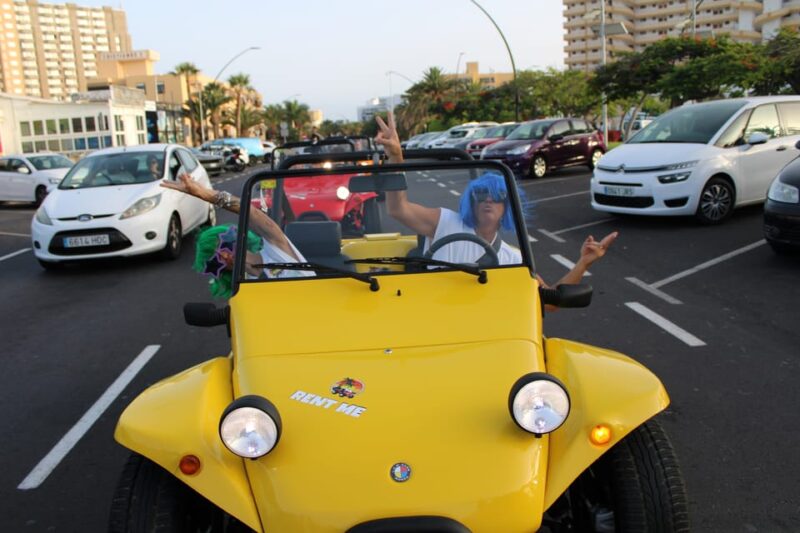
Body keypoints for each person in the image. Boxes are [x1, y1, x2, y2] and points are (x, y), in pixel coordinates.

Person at [373, 111, 618, 288]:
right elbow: (398, 208)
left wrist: (583, 263)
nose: (488, 200)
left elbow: (549, 301)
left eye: (498, 196)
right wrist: (396, 155)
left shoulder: (511, 259)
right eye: (481, 195)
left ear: (507, 207)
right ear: (471, 200)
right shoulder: (445, 222)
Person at [160, 173, 311, 281]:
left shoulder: (275, 248)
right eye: (217, 257)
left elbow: (249, 211)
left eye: (222, 247)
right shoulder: (243, 291)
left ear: (234, 238)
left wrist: (205, 194)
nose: (225, 256)